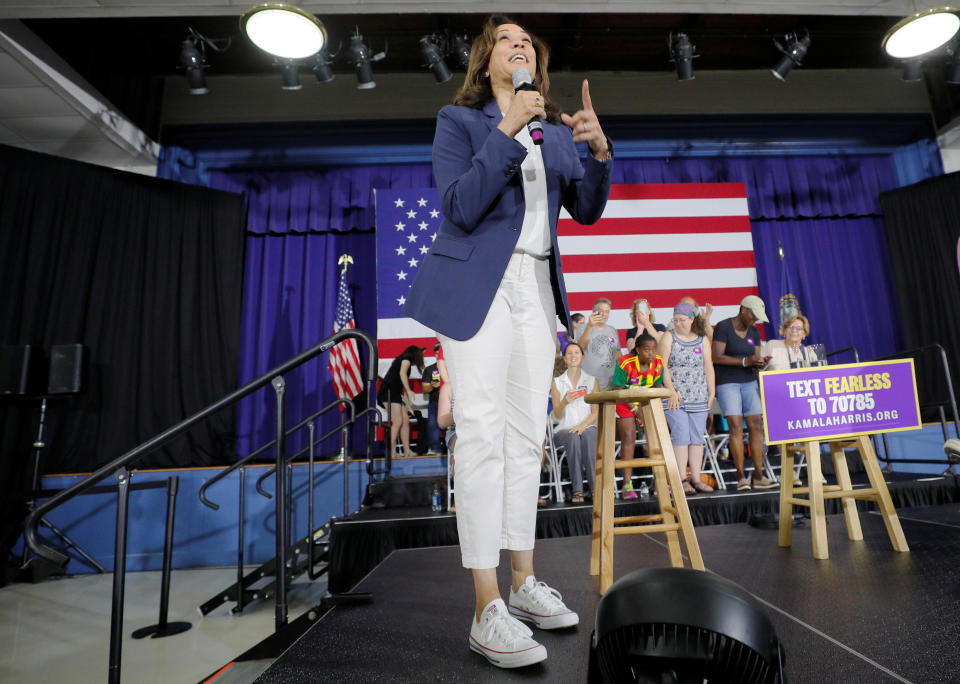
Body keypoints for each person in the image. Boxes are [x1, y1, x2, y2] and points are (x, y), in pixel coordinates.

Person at [401, 14, 613, 669]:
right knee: (484, 433)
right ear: (485, 60)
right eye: (508, 40)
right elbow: (460, 207)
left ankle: (523, 584)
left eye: (528, 43)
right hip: (479, 290)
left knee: (528, 437)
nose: (520, 47)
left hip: (536, 292)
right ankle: (485, 605)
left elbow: (585, 209)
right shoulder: (458, 123)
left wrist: (599, 152)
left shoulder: (554, 132)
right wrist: (506, 127)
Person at [712, 295, 777, 491]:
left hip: (749, 381)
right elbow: (716, 356)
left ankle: (758, 475)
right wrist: (743, 362)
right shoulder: (724, 327)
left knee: (757, 425)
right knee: (735, 426)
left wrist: (761, 363)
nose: (755, 319)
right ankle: (741, 477)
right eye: (753, 315)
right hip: (727, 383)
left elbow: (754, 358)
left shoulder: (754, 332)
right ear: (743, 310)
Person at [659, 301, 716, 495]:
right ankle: (681, 478)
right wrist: (671, 391)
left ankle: (697, 479)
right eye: (675, 320)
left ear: (692, 320)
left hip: (698, 395)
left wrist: (712, 392)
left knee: (697, 438)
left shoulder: (702, 340)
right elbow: (662, 366)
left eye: (682, 320)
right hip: (675, 397)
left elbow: (708, 367)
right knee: (681, 435)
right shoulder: (669, 337)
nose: (678, 323)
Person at [612, 332, 675, 499]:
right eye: (647, 350)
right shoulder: (625, 362)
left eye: (653, 350)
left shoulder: (659, 363)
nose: (651, 354)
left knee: (657, 438)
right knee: (628, 436)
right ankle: (627, 485)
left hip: (647, 402)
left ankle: (659, 483)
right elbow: (617, 389)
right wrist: (635, 410)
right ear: (637, 349)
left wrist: (645, 411)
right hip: (626, 401)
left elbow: (657, 386)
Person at [550, 342, 599, 504]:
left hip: (587, 427)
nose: (573, 356)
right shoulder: (557, 382)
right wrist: (564, 401)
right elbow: (557, 415)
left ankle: (595, 488)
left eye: (576, 352)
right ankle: (577, 489)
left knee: (587, 435)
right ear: (564, 358)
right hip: (564, 430)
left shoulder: (592, 380)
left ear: (582, 357)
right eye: (569, 353)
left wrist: (582, 426)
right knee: (573, 437)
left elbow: (595, 413)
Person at [377, 345, 425, 458]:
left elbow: (402, 389)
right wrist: (409, 390)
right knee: (398, 422)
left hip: (395, 394)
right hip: (388, 393)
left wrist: (409, 407)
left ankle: (407, 450)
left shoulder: (405, 364)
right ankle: (391, 452)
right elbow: (402, 375)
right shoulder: (405, 359)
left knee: (405, 421)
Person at [576, 297, 620, 389]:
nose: (604, 314)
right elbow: (580, 347)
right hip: (588, 383)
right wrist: (589, 326)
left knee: (609, 404)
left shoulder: (612, 330)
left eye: (607, 311)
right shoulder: (582, 328)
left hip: (610, 383)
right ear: (594, 311)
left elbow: (618, 353)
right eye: (601, 311)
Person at [421, 343, 446, 455]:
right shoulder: (430, 369)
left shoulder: (453, 368)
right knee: (432, 425)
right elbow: (425, 389)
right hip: (435, 401)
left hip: (450, 402)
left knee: (449, 426)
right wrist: (432, 386)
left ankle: (451, 449)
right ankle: (435, 449)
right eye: (436, 352)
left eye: (439, 351)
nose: (438, 354)